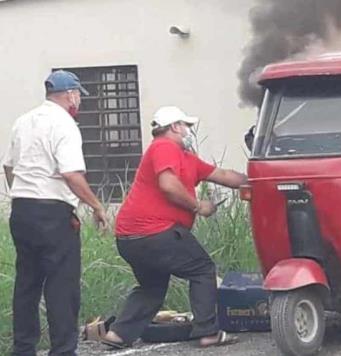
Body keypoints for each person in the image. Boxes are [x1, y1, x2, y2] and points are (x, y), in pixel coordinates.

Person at [103, 106, 248, 349]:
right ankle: (207, 332)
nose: (188, 131)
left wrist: (255, 180)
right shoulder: (164, 146)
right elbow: (168, 185)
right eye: (186, 126)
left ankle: (118, 334)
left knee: (152, 286)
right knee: (202, 270)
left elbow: (222, 174)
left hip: (130, 238)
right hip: (155, 232)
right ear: (174, 127)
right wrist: (197, 206)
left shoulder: (186, 158)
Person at [2, 70, 109, 356]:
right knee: (62, 284)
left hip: (22, 209)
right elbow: (71, 173)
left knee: (27, 282)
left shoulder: (23, 121)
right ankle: (62, 350)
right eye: (78, 96)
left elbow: (8, 166)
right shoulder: (65, 124)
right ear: (71, 95)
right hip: (53, 212)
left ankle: (23, 349)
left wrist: (22, 192)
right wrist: (97, 206)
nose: (79, 102)